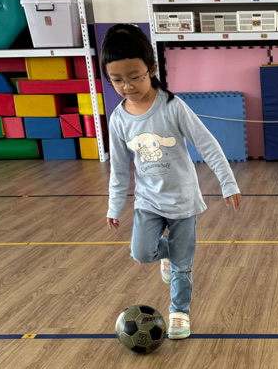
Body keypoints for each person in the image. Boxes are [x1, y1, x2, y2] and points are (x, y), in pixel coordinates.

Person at [102, 24, 241, 340]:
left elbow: (207, 144)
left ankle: (180, 311)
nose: (127, 86)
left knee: (182, 266)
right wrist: (114, 206)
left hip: (183, 201)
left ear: (152, 69)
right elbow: (119, 169)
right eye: (117, 80)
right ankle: (169, 252)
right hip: (148, 201)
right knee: (141, 252)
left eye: (134, 77)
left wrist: (228, 182)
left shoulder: (172, 107)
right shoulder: (119, 119)